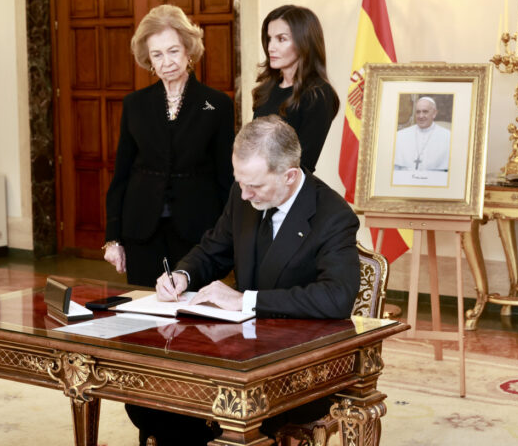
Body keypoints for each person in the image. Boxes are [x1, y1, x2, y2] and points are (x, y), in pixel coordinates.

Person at [126, 115, 361, 445]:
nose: (246, 194)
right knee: (148, 400)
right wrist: (182, 274)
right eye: (240, 183)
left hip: (299, 366)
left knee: (213, 408)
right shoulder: (244, 196)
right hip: (239, 351)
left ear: (290, 175)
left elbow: (337, 296)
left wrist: (246, 300)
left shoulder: (333, 216)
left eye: (255, 186)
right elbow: (212, 250)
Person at [103, 4, 235, 288]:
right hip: (141, 229)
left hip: (197, 231)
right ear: (148, 59)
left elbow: (226, 177)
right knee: (143, 315)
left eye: (173, 51)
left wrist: (230, 238)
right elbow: (121, 175)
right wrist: (113, 238)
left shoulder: (217, 105)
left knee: (195, 317)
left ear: (188, 49)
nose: (166, 62)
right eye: (157, 54)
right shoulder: (135, 104)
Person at [252, 5, 339, 174]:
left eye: (281, 39)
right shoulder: (266, 89)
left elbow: (303, 163)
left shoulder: (318, 94)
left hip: (285, 192)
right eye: (269, 39)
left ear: (304, 42)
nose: (271, 47)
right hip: (255, 186)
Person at [393, 96, 451, 171]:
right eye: (418, 112)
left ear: (434, 113)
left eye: (425, 112)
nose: (421, 116)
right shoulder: (400, 136)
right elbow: (395, 170)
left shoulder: (447, 136)